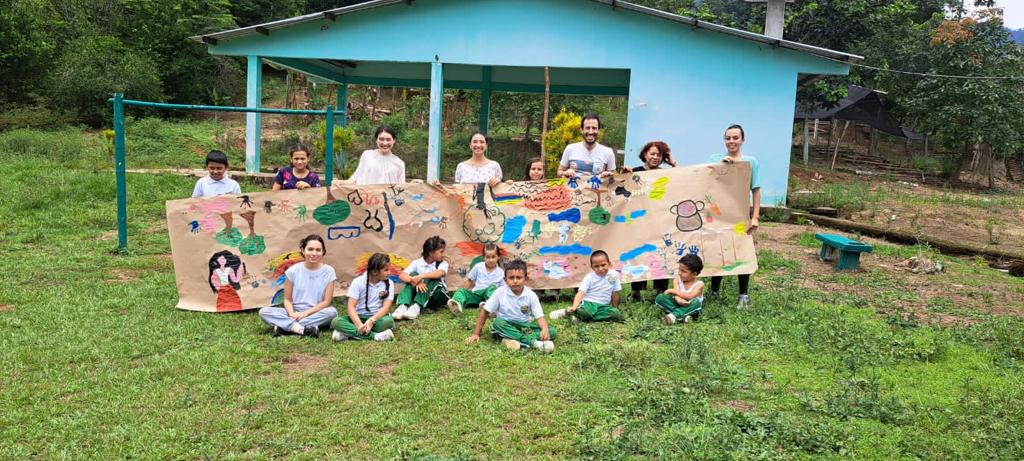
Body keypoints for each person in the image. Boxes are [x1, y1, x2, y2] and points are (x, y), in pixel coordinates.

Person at [708, 124, 760, 308]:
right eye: (728, 138)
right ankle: (714, 290)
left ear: (742, 140)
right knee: (718, 250)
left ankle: (743, 295)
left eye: (735, 138)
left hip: (740, 216)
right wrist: (722, 165)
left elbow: (755, 189)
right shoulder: (715, 158)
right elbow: (709, 181)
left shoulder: (751, 162)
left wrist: (755, 217)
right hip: (719, 215)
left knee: (742, 251)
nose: (732, 141)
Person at [465, 259, 555, 352]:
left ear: (526, 278)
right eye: (511, 278)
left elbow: (539, 317)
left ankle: (509, 340)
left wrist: (544, 329)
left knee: (552, 331)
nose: (515, 281)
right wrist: (476, 333)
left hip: (524, 327)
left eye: (519, 277)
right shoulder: (499, 292)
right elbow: (485, 311)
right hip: (505, 325)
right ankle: (534, 343)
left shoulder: (531, 295)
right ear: (505, 280)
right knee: (497, 323)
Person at [258, 234, 338, 337]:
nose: (314, 253)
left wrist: (305, 314)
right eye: (310, 249)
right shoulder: (292, 271)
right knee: (264, 312)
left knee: (332, 312)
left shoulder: (329, 271)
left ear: (323, 252)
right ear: (303, 250)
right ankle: (303, 329)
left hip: (316, 312)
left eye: (318, 250)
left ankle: (284, 327)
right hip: (294, 312)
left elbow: (326, 302)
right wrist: (292, 314)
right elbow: (287, 299)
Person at [627, 141, 676, 301]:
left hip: (659, 219)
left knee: (661, 251)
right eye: (652, 153)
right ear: (645, 154)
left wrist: (673, 163)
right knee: (639, 251)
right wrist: (624, 173)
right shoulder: (635, 172)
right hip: (639, 220)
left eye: (659, 155)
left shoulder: (665, 173)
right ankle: (636, 290)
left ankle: (660, 288)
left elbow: (681, 181)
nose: (655, 157)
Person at [331, 253, 396, 341]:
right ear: (374, 271)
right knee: (336, 322)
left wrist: (372, 320)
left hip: (377, 319)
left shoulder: (389, 283)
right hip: (359, 318)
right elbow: (351, 306)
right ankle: (376, 336)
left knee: (388, 321)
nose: (389, 273)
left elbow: (386, 307)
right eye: (386, 270)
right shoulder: (358, 282)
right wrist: (359, 325)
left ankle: (347, 334)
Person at [550, 250, 623, 322]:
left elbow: (615, 292)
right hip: (589, 303)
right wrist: (574, 306)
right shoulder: (589, 277)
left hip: (603, 305)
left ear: (609, 264)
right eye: (596, 266)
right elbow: (581, 293)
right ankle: (566, 312)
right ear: (592, 267)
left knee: (616, 314)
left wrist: (615, 307)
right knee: (585, 312)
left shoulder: (614, 275)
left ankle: (580, 317)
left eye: (603, 265)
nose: (600, 269)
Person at [393, 236, 449, 320]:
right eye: (441, 252)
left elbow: (439, 273)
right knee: (412, 274)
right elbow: (402, 275)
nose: (443, 254)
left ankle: (416, 307)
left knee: (431, 277)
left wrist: (421, 276)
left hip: (438, 296)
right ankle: (403, 306)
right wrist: (416, 282)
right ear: (430, 253)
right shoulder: (417, 262)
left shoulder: (442, 263)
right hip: (425, 297)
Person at [447, 243, 504, 314]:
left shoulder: (501, 272)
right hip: (477, 294)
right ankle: (456, 304)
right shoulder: (478, 267)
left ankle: (490, 306)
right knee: (461, 290)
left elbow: (502, 289)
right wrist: (464, 291)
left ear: (498, 257)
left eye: (493, 257)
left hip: (490, 295)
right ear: (483, 257)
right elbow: (469, 281)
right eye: (488, 257)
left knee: (492, 288)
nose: (490, 260)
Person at [557, 113, 616, 180]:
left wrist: (608, 176)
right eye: (587, 128)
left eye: (594, 128)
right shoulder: (570, 148)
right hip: (572, 189)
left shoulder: (608, 152)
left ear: (598, 130)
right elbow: (559, 172)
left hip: (598, 190)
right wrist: (565, 173)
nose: (590, 132)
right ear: (582, 130)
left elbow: (613, 179)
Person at [655, 254, 705, 325]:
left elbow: (690, 296)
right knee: (660, 298)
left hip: (691, 307)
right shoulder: (677, 279)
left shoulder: (700, 284)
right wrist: (678, 299)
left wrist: (671, 291)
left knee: (696, 302)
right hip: (678, 304)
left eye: (683, 271)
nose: (679, 273)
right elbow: (676, 294)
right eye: (679, 269)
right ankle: (683, 317)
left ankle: (673, 316)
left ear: (694, 274)